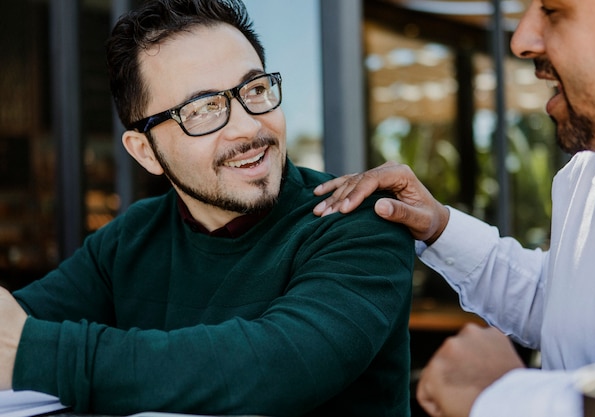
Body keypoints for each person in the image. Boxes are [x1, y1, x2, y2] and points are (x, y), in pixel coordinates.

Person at [0, 1, 416, 416]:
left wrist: (40, 353)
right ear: (146, 152)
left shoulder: (359, 221)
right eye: (202, 110)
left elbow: (276, 368)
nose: (249, 127)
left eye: (255, 90)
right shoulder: (130, 239)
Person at [313, 0, 595, 416]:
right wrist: (439, 226)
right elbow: (562, 303)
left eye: (552, 10)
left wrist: (500, 396)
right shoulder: (586, 173)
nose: (521, 41)